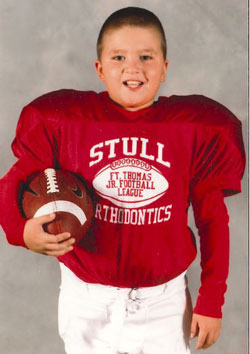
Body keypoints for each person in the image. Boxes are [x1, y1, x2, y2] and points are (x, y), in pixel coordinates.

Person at [0, 6, 245, 354]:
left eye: (146, 56)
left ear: (164, 68)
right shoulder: (66, 122)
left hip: (164, 302)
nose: (133, 67)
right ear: (99, 69)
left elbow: (213, 219)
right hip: (85, 297)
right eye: (118, 57)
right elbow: (13, 181)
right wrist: (19, 231)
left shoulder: (194, 129)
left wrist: (211, 299)